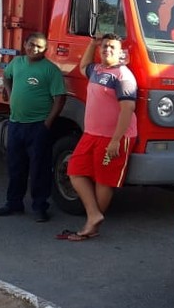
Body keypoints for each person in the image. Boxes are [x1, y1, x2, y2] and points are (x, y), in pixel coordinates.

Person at [59, 34, 138, 241]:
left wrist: (115, 140)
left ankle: (92, 225)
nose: (107, 50)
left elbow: (127, 109)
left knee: (104, 181)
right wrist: (91, 44)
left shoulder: (123, 76)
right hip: (91, 134)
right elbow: (84, 65)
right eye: (104, 46)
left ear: (120, 52)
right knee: (75, 170)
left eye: (112, 47)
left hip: (113, 137)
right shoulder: (96, 70)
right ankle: (94, 215)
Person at [0, 33, 66, 222]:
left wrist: (47, 123)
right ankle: (13, 203)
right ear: (25, 44)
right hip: (16, 124)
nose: (35, 49)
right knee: (15, 166)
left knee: (39, 169)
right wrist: (9, 93)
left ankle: (40, 207)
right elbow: (6, 76)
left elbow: (60, 98)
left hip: (38, 127)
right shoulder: (16, 63)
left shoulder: (50, 70)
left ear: (45, 50)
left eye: (40, 47)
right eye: (32, 44)